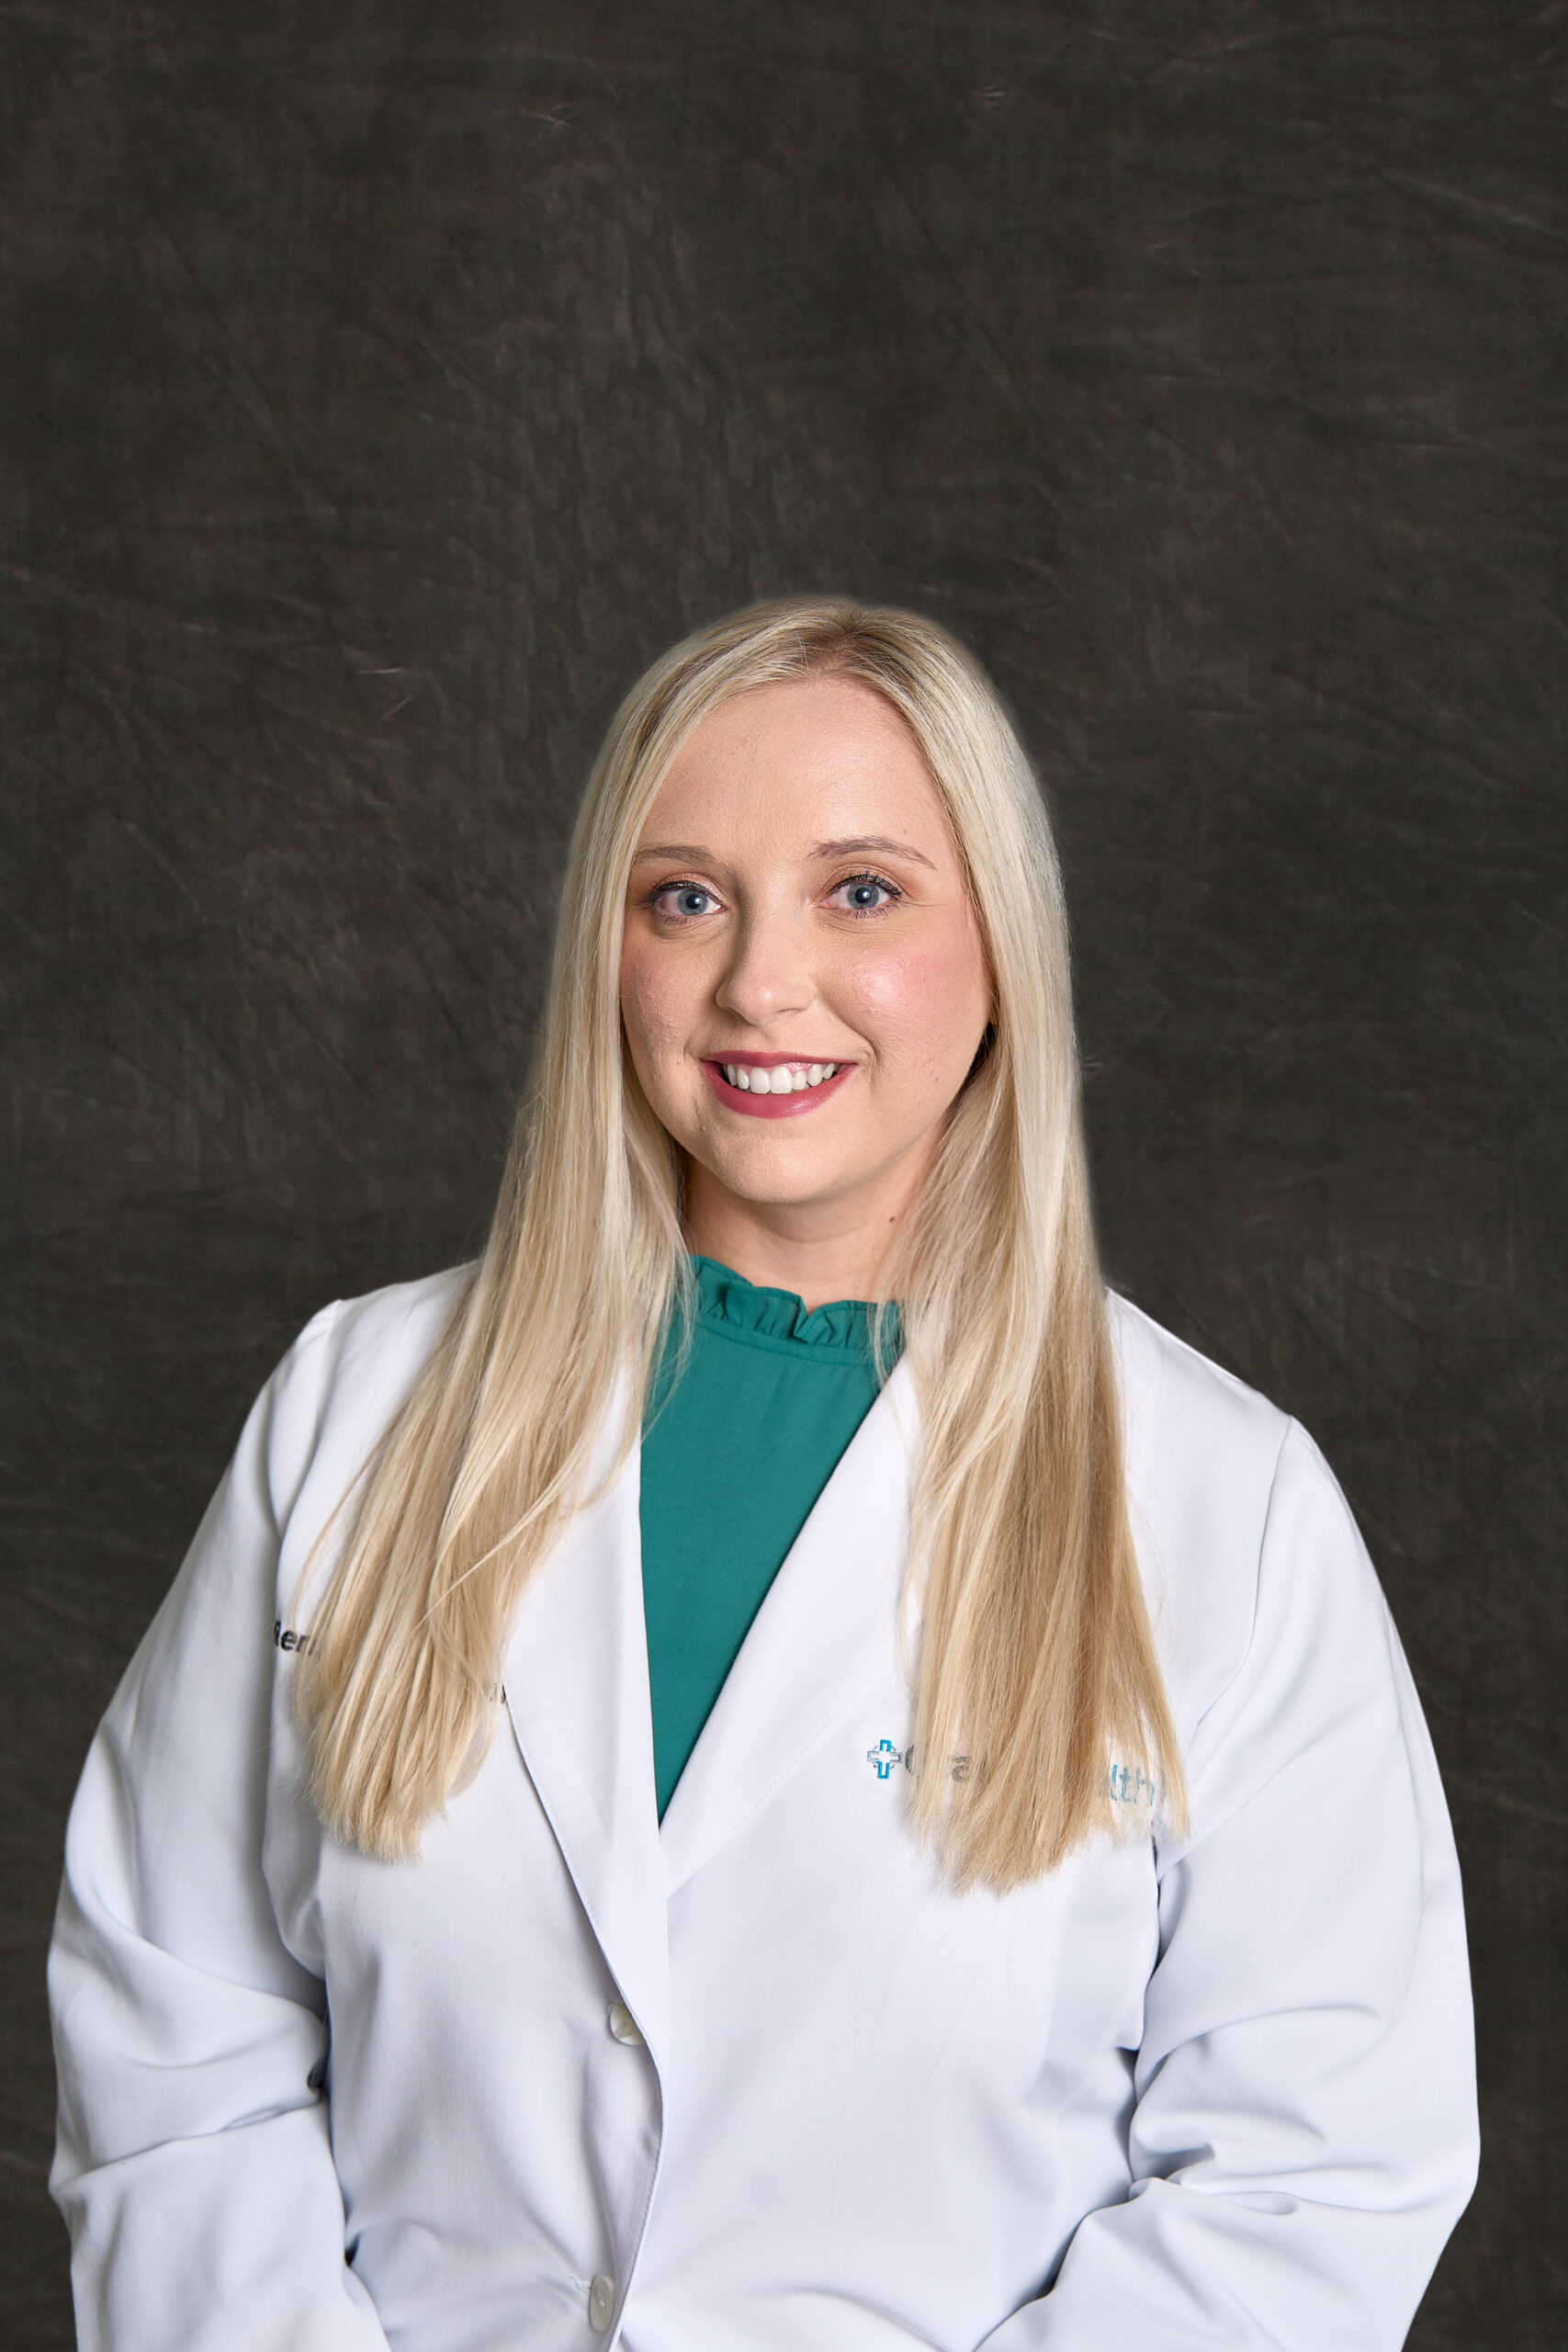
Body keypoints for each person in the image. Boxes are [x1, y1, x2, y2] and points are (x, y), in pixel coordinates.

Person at [48, 598, 1478, 2352]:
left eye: (860, 892)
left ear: (1000, 950)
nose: (756, 984)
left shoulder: (1225, 1506)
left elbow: (1312, 2176)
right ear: (611, 950)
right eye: (685, 898)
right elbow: (172, 2028)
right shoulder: (356, 1406)